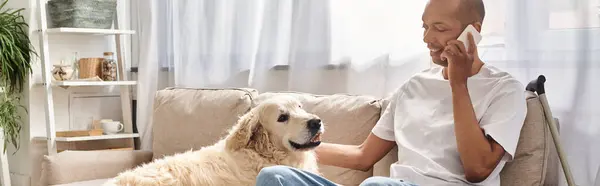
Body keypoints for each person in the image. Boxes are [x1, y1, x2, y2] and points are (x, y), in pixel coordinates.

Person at [255, 0, 527, 185]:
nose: (427, 38)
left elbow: (477, 170)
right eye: (425, 26)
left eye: (440, 28)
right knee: (274, 177)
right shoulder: (413, 87)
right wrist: (282, 145)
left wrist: (458, 84)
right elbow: (362, 157)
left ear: (473, 32)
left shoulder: (504, 90)